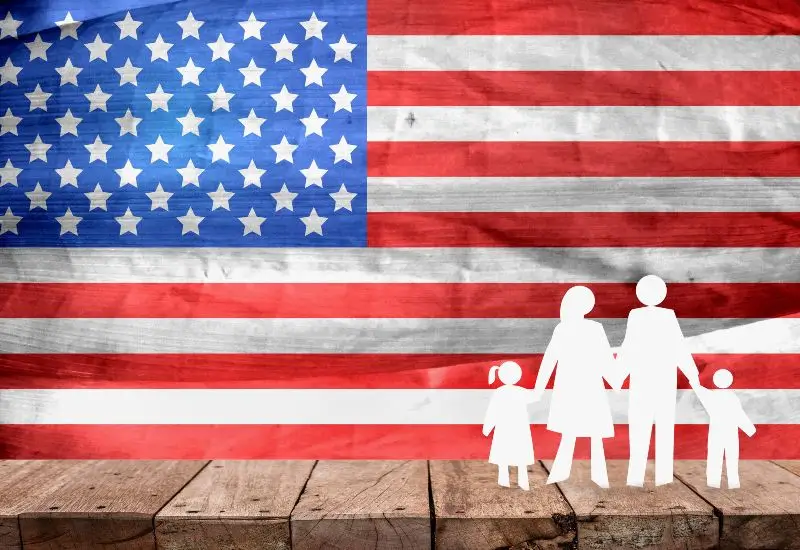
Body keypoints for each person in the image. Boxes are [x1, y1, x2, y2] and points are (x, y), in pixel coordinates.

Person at [616, 275, 703, 487]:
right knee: (663, 429)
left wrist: (617, 376)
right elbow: (679, 347)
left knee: (640, 428)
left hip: (645, 380)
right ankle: (661, 478)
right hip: (661, 379)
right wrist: (693, 375)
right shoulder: (666, 316)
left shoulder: (636, 315)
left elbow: (629, 347)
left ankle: (637, 478)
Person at [531, 286, 618, 488]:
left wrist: (539, 389)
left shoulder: (568, 328)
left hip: (576, 385)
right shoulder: (586, 328)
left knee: (575, 433)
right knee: (585, 434)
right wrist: (615, 382)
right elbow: (551, 359)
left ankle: (587, 475)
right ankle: (592, 476)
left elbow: (549, 360)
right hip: (584, 385)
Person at [694, 369, 756, 489]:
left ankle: (713, 482)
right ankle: (733, 483)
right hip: (730, 432)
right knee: (732, 457)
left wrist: (694, 383)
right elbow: (740, 415)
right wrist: (750, 430)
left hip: (716, 431)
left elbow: (700, 391)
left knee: (714, 457)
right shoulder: (733, 398)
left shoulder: (711, 396)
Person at [482, 360, 536, 490]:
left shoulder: (499, 392)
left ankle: (504, 482)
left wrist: (487, 427)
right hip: (519, 428)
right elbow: (536, 397)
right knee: (520, 457)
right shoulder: (521, 392)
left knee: (503, 457)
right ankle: (523, 483)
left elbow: (492, 412)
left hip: (504, 428)